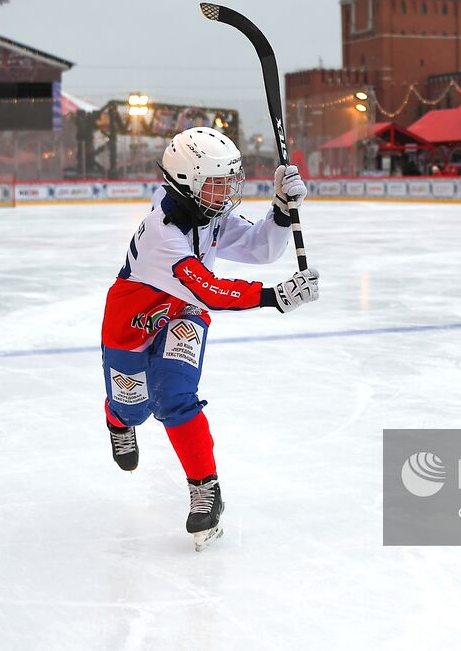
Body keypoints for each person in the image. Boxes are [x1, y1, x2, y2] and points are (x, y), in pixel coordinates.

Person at [100, 126, 318, 551]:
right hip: (133, 321)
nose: (228, 191)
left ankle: (206, 491)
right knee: (134, 408)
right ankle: (117, 419)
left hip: (183, 312)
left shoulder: (208, 213)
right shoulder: (164, 232)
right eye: (218, 182)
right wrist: (273, 296)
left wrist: (279, 209)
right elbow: (207, 289)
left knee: (175, 397)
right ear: (188, 183)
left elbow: (260, 249)